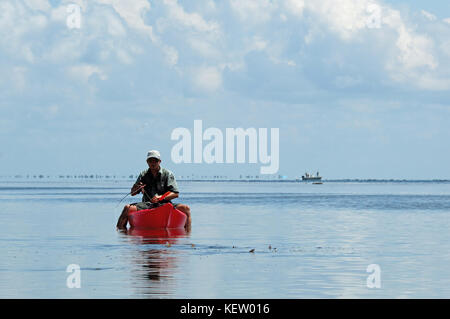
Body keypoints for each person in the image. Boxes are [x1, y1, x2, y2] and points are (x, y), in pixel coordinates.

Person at [116, 150, 191, 231]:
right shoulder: (143, 174)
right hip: (147, 205)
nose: (153, 163)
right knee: (127, 208)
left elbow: (175, 194)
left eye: (155, 161)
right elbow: (133, 193)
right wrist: (137, 187)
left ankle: (188, 234)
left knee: (186, 208)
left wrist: (161, 198)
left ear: (159, 161)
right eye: (150, 161)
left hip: (165, 204)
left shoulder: (168, 174)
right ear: (147, 162)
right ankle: (120, 231)